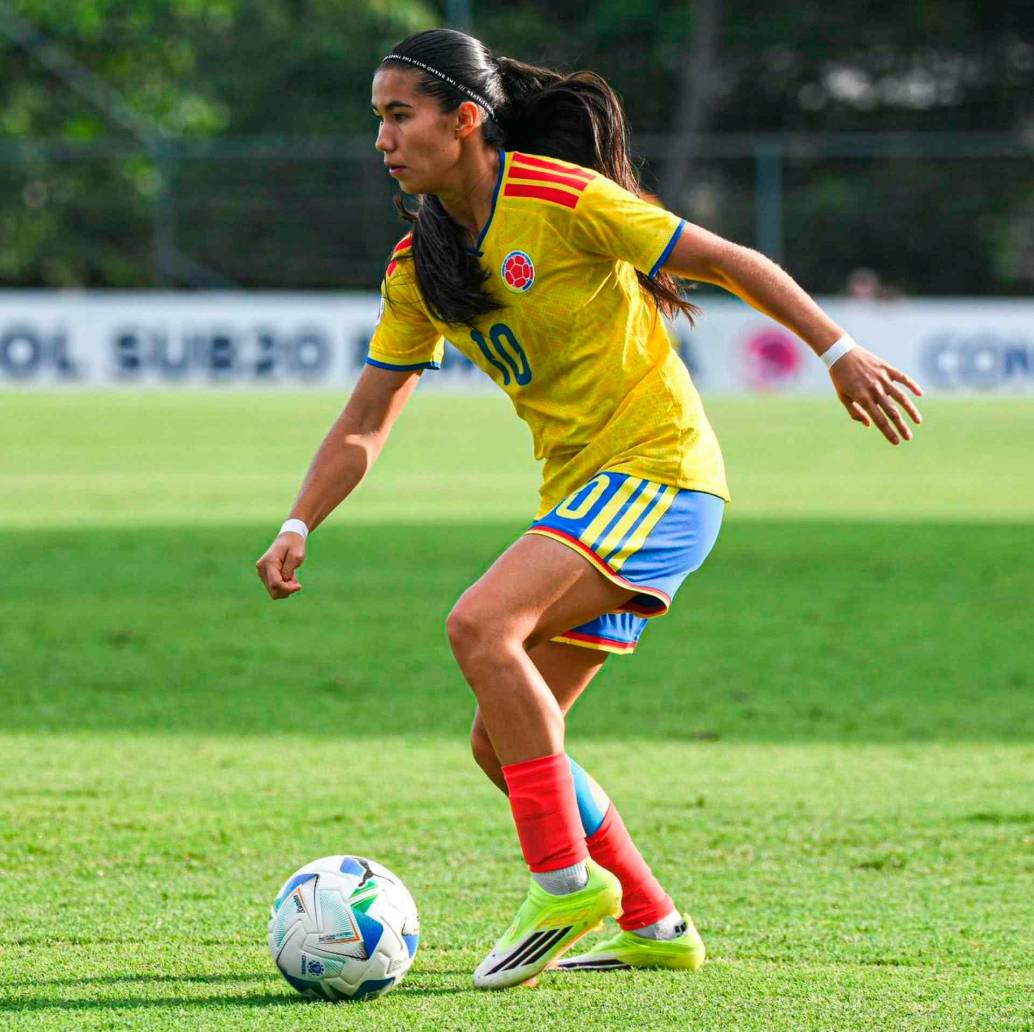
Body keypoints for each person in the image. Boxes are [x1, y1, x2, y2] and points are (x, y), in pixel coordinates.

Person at [255, 28, 923, 990]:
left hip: (660, 473)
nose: (383, 139)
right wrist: (297, 524)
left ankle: (564, 885)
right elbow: (366, 420)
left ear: (465, 119)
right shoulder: (419, 264)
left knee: (479, 625)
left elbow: (730, 261)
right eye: (378, 119)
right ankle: (655, 924)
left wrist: (838, 352)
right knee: (501, 741)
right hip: (590, 497)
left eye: (400, 115)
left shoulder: (561, 198)